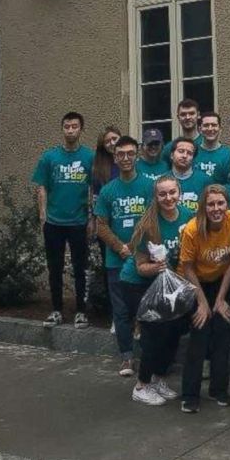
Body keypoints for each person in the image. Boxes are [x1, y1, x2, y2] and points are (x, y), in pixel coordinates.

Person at [119, 174, 194, 405]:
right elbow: (141, 267)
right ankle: (141, 385)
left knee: (173, 330)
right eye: (162, 194)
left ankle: (159, 378)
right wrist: (158, 266)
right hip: (138, 283)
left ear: (179, 193)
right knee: (154, 334)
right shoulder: (147, 224)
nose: (168, 197)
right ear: (156, 196)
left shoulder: (189, 217)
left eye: (172, 192)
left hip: (169, 284)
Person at [179, 184, 230, 412]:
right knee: (200, 331)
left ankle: (219, 389)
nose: (216, 208)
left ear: (227, 204)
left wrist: (220, 299)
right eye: (211, 204)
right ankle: (189, 394)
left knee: (223, 329)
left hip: (222, 282)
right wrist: (203, 303)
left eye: (220, 203)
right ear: (203, 206)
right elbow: (187, 268)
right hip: (195, 282)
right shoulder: (192, 229)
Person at [94, 136, 154, 377]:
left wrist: (136, 246)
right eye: (121, 154)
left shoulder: (150, 186)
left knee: (147, 309)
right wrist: (120, 247)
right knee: (120, 312)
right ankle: (127, 358)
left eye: (130, 153)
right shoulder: (108, 190)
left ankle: (151, 358)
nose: (126, 158)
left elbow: (152, 220)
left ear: (137, 155)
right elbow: (101, 225)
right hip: (116, 260)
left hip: (143, 260)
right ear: (115, 158)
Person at [32, 111, 95, 329]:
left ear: (80, 129)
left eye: (74, 126)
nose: (70, 130)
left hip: (78, 222)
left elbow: (92, 189)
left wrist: (91, 218)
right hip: (54, 223)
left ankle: (81, 312)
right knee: (55, 268)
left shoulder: (89, 157)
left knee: (80, 269)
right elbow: (42, 188)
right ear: (62, 129)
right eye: (66, 126)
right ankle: (56, 310)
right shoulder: (49, 157)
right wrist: (43, 216)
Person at [90, 125, 121, 309]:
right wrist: (94, 222)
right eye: (107, 141)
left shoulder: (128, 162)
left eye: (114, 139)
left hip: (127, 223)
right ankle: (115, 313)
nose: (111, 143)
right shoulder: (99, 168)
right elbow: (95, 199)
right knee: (110, 268)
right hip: (106, 225)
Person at [169, 137, 211, 213]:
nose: (185, 156)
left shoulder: (205, 181)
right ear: (172, 155)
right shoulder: (162, 180)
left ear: (193, 158)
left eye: (189, 153)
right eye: (181, 151)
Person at [193, 112, 230, 181]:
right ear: (200, 129)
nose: (210, 128)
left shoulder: (229, 154)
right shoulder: (192, 152)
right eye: (206, 125)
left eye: (214, 125)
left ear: (220, 129)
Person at [162, 99, 202, 163]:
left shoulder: (207, 144)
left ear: (198, 115)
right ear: (178, 117)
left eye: (191, 113)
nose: (188, 117)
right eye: (183, 114)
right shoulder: (169, 148)